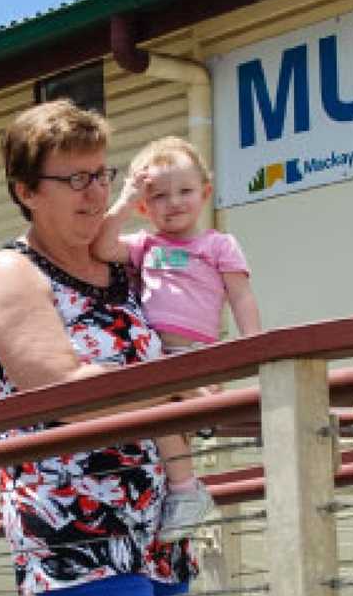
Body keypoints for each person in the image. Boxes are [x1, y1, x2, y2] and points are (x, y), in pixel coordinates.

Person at [0, 100, 197, 596]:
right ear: (26, 191)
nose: (95, 191)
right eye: (75, 178)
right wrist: (176, 397)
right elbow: (66, 392)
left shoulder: (117, 265)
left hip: (155, 515)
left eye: (101, 173)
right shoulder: (12, 272)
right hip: (75, 520)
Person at [92, 136, 262, 541]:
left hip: (199, 356)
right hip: (157, 356)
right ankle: (186, 489)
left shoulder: (218, 245)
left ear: (205, 193)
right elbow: (101, 246)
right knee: (160, 413)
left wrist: (253, 344)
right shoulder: (145, 245)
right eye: (159, 196)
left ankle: (193, 457)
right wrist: (124, 198)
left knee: (164, 400)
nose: (174, 203)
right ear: (144, 207)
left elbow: (240, 294)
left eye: (185, 191)